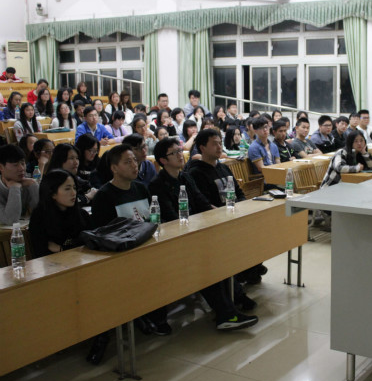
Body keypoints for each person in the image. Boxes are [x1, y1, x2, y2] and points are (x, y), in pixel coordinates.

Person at [151, 137, 258, 329]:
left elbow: (201, 202)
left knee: (219, 251)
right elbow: (170, 217)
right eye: (174, 153)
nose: (180, 155)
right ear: (163, 160)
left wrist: (219, 215)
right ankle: (227, 314)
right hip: (176, 239)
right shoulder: (157, 184)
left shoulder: (185, 177)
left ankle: (235, 298)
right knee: (207, 260)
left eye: (179, 150)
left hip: (195, 231)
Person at [90, 144, 171, 365]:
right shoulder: (104, 196)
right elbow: (104, 236)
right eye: (128, 162)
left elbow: (152, 220)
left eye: (135, 160)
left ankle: (155, 316)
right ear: (114, 168)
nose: (135, 165)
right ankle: (143, 316)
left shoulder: (141, 189)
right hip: (121, 256)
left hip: (147, 248)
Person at [188, 129, 268, 284]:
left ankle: (251, 267)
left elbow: (239, 192)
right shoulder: (196, 172)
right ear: (202, 148)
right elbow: (203, 203)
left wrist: (243, 206)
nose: (219, 147)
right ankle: (247, 270)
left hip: (234, 215)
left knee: (258, 227)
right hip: (216, 221)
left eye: (220, 143)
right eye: (214, 144)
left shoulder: (223, 167)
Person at [29, 169, 92, 258]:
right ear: (53, 193)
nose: (73, 193)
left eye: (74, 188)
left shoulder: (82, 214)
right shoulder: (39, 217)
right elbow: (40, 252)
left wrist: (61, 249)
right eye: (67, 189)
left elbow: (90, 244)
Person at [0, 144, 39, 225]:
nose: (21, 168)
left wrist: (34, 185)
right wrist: (15, 188)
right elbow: (10, 220)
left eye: (23, 163)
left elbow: (42, 214)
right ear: (1, 167)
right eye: (15, 165)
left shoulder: (28, 182)